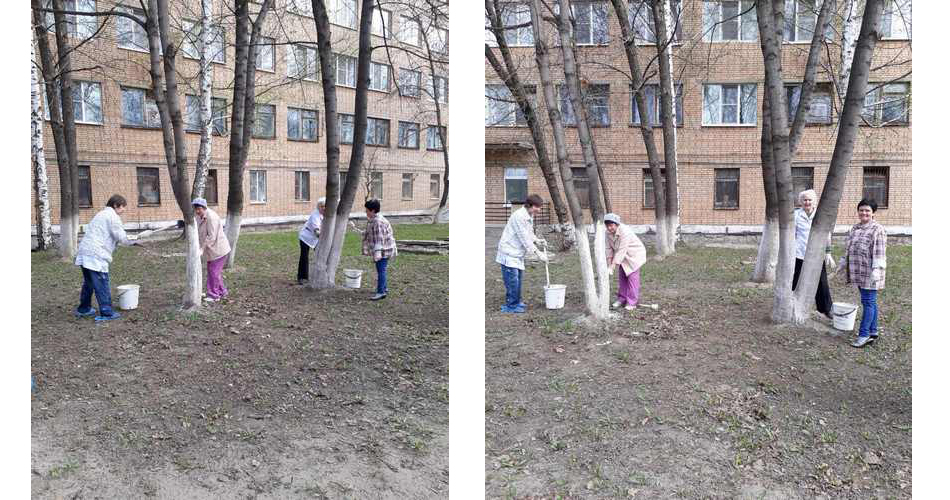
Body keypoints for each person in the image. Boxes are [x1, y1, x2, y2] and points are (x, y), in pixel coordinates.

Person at [74, 194, 140, 321]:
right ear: (115, 205)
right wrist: (134, 241)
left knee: (89, 283)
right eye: (122, 207)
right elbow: (121, 237)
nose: (124, 210)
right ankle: (107, 312)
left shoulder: (101, 214)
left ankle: (84, 309)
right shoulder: (112, 217)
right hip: (96, 255)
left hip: (84, 252)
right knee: (102, 283)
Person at [838, 198, 887, 348]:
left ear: (873, 213)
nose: (864, 213)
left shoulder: (877, 229)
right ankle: (873, 331)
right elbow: (849, 247)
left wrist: (876, 270)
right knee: (869, 301)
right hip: (858, 271)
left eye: (867, 210)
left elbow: (879, 251)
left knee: (868, 302)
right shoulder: (855, 228)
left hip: (871, 273)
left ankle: (864, 335)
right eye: (861, 210)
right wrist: (843, 261)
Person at [495, 194, 548, 313]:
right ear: (530, 205)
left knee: (518, 278)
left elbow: (529, 233)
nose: (539, 210)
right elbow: (524, 238)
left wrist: (537, 240)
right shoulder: (518, 216)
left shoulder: (529, 215)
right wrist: (538, 253)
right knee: (512, 280)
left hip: (517, 253)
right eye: (537, 207)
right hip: (509, 252)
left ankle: (517, 301)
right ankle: (511, 306)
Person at [791, 189, 834, 320]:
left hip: (816, 254)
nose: (807, 202)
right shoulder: (796, 215)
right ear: (801, 202)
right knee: (795, 279)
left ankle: (825, 309)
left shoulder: (820, 215)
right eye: (805, 200)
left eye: (810, 200)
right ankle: (792, 305)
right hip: (799, 254)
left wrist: (828, 252)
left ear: (814, 202)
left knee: (822, 282)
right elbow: (792, 234)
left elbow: (827, 235)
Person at [604, 213, 647, 311]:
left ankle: (632, 302)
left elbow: (622, 250)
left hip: (634, 255)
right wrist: (609, 265)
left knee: (632, 279)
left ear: (617, 224)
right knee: (622, 277)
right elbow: (608, 249)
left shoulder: (625, 231)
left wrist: (613, 266)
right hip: (622, 257)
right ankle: (622, 299)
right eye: (607, 226)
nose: (609, 228)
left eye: (611, 225)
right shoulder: (607, 233)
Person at [193, 198, 231, 302]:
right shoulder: (200, 216)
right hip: (212, 250)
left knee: (214, 272)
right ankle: (222, 291)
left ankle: (214, 295)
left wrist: (201, 249)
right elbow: (197, 228)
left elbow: (211, 236)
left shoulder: (211, 217)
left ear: (204, 207)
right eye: (196, 209)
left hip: (219, 250)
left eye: (199, 209)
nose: (197, 211)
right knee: (214, 272)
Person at [361, 198, 397, 300]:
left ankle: (381, 292)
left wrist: (378, 253)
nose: (366, 212)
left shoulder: (378, 222)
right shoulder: (375, 219)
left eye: (367, 210)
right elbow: (371, 233)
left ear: (373, 210)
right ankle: (384, 288)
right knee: (381, 269)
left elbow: (379, 239)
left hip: (384, 250)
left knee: (381, 270)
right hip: (384, 249)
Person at [297, 197, 326, 284]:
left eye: (325, 206)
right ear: (318, 207)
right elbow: (316, 230)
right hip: (305, 237)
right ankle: (302, 278)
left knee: (320, 255)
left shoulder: (325, 214)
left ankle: (319, 276)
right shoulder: (315, 215)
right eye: (322, 206)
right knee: (304, 256)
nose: (323, 208)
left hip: (315, 239)